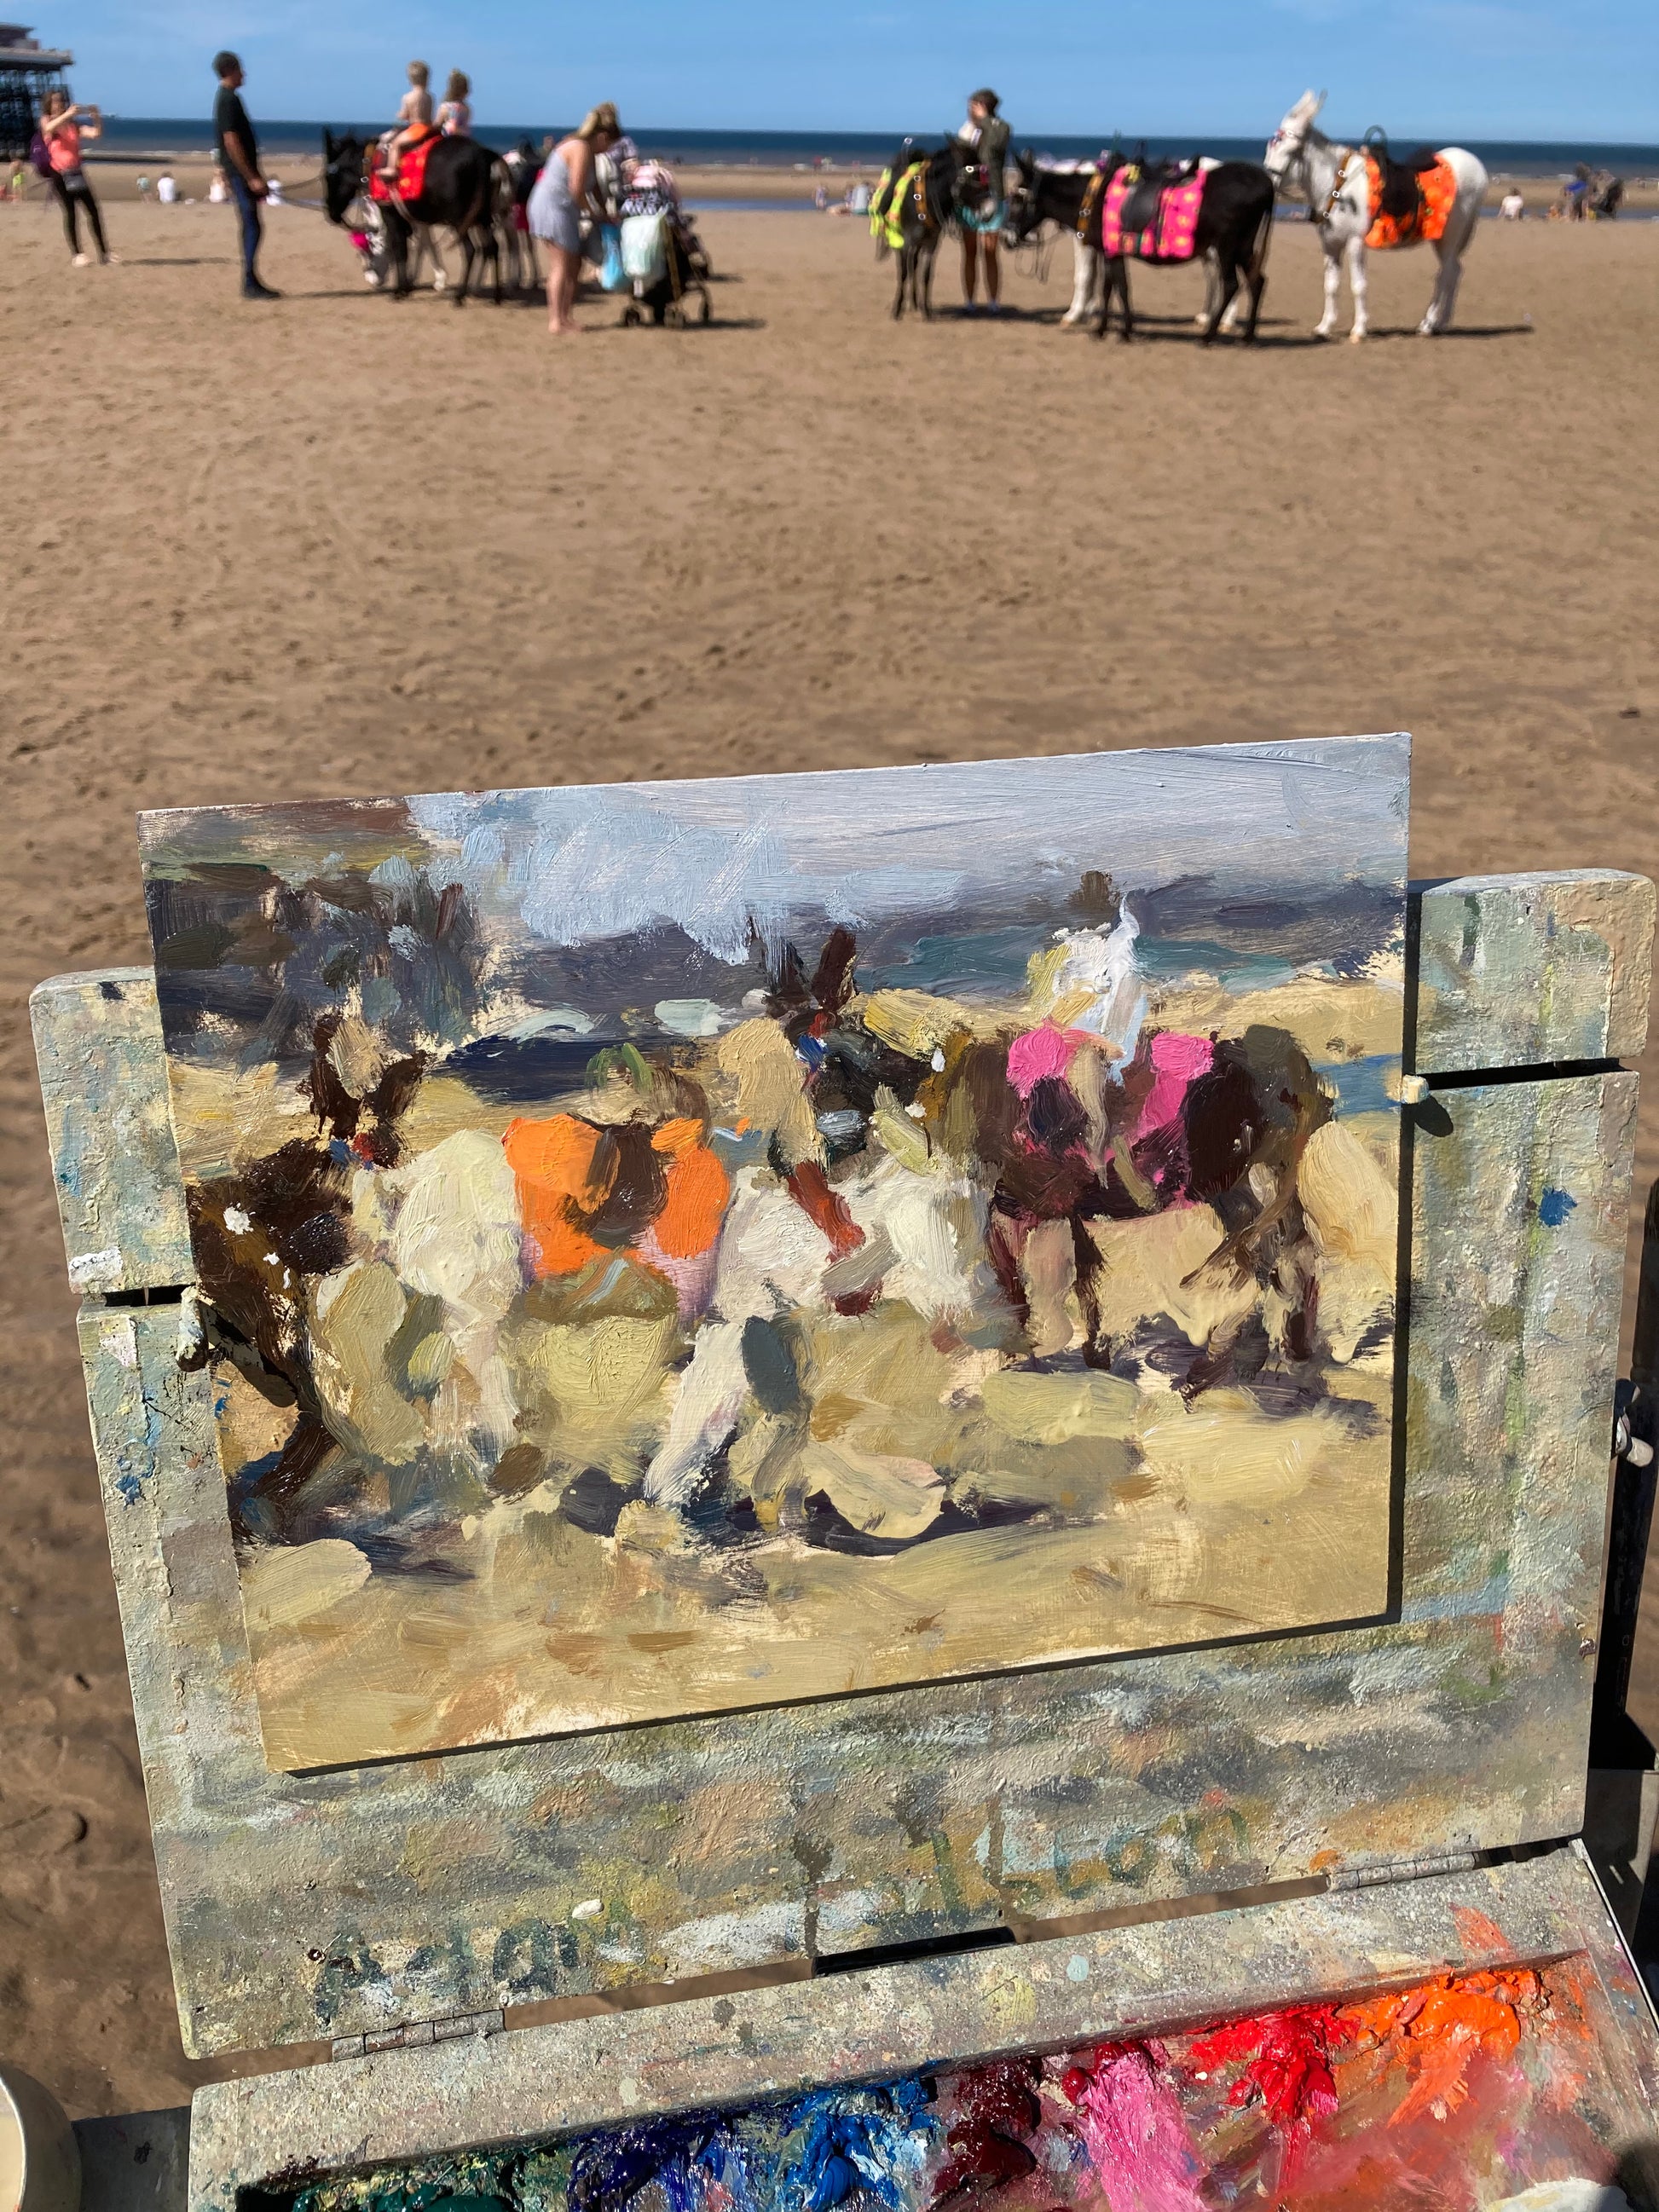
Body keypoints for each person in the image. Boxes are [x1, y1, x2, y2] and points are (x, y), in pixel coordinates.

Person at [528, 101, 622, 334]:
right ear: (601, 136)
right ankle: (556, 321)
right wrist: (593, 214)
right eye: (609, 144)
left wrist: (604, 213)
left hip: (564, 209)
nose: (608, 150)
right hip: (552, 208)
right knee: (561, 265)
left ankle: (566, 316)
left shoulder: (589, 151)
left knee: (575, 263)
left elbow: (595, 188)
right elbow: (577, 189)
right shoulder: (579, 147)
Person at [212, 51, 278, 299]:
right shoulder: (227, 99)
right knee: (251, 225)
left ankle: (252, 279)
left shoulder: (230, 98)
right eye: (241, 69)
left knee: (253, 225)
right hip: (240, 174)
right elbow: (231, 140)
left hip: (239, 172)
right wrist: (251, 177)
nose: (244, 74)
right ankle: (249, 282)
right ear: (231, 70)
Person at [38, 88, 113, 266]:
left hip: (76, 172)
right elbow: (48, 128)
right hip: (59, 173)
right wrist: (67, 114)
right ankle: (77, 254)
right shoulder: (47, 120)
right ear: (49, 104)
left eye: (61, 101)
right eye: (56, 101)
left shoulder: (73, 125)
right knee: (71, 212)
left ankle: (104, 253)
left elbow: (96, 134)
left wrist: (96, 117)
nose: (60, 104)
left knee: (93, 210)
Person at [956, 87, 1009, 313]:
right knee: (969, 251)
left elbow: (994, 151)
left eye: (973, 106)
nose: (970, 111)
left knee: (990, 251)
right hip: (969, 196)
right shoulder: (967, 130)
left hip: (993, 194)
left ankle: (993, 302)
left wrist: (985, 120)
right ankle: (969, 302)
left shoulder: (1001, 128)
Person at [379, 61, 434, 180]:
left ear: (411, 79)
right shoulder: (430, 96)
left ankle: (391, 169)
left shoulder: (408, 97)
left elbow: (405, 115)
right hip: (430, 128)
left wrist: (400, 115)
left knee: (395, 144)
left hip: (416, 128)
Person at [437, 70, 471, 136]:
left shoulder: (445, 107)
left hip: (449, 139)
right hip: (463, 139)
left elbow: (438, 124)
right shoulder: (466, 108)